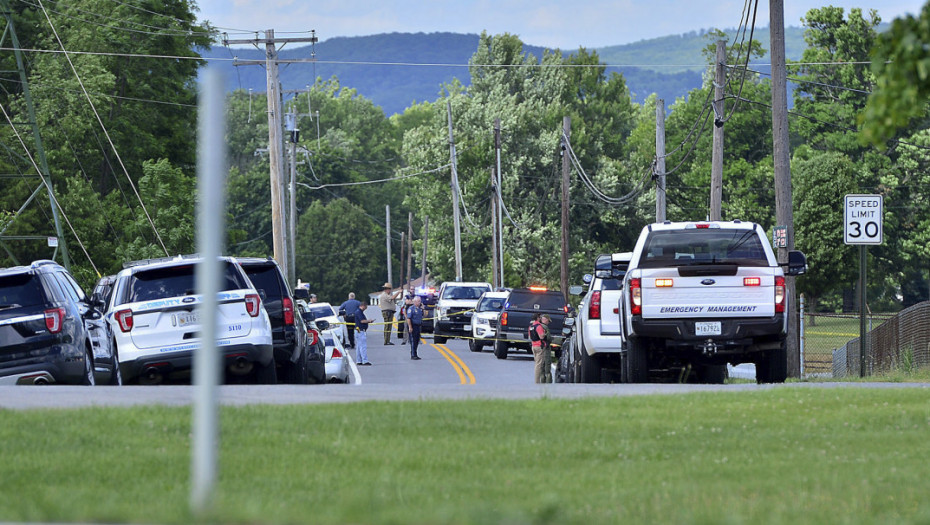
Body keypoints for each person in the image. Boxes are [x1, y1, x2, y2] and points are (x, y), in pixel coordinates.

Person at [530, 314, 552, 383]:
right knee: (541, 366)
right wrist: (545, 334)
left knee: (538, 363)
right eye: (539, 317)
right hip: (541, 347)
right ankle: (538, 382)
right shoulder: (540, 326)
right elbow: (542, 337)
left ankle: (539, 381)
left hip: (533, 346)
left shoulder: (531, 326)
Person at [406, 296, 424, 360]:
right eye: (418, 301)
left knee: (417, 340)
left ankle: (415, 353)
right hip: (413, 325)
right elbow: (408, 318)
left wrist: (423, 309)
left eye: (420, 301)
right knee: (413, 340)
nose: (419, 302)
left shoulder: (420, 309)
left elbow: (424, 316)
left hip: (418, 326)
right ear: (415, 301)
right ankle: (413, 354)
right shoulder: (411, 309)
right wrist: (410, 327)